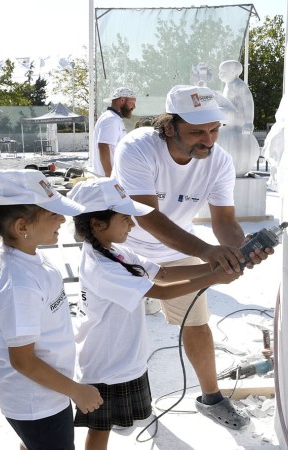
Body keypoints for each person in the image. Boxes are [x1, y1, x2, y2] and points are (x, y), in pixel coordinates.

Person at [112, 84, 271, 430]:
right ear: (170, 126)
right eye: (198, 132)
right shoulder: (137, 147)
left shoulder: (219, 161)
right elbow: (146, 216)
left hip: (175, 248)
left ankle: (211, 398)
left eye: (214, 130)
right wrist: (206, 252)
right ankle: (113, 400)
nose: (208, 140)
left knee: (196, 323)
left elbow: (224, 221)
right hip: (121, 246)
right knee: (116, 329)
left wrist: (239, 250)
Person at [66, 177, 242, 449]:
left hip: (125, 361)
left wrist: (216, 265)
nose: (132, 224)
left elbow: (163, 273)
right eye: (125, 219)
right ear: (97, 224)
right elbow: (161, 291)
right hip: (105, 367)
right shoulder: (100, 267)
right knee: (100, 431)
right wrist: (215, 278)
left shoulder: (117, 252)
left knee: (109, 424)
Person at [0, 169, 103, 450]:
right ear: (22, 227)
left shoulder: (27, 257)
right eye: (53, 213)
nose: (63, 219)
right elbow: (23, 361)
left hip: (49, 392)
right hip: (36, 402)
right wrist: (77, 391)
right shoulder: (19, 284)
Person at [91, 87, 136, 177]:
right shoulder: (111, 119)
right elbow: (103, 146)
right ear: (122, 100)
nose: (134, 107)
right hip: (109, 177)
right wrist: (109, 175)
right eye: (132, 103)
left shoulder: (113, 118)